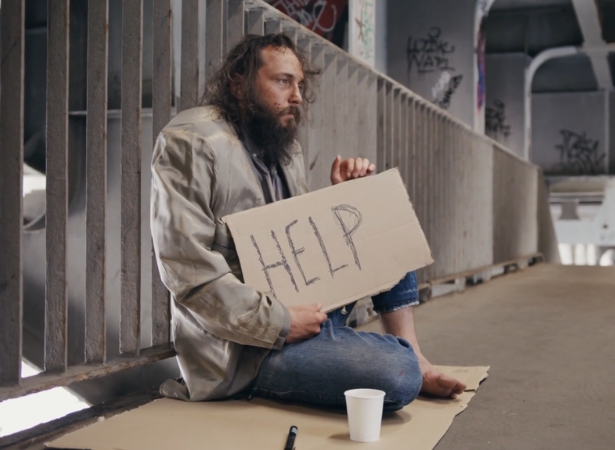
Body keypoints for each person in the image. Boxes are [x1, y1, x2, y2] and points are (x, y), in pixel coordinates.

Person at [151, 33, 465, 411]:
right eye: (283, 81)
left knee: (382, 211)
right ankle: (398, 360)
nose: (297, 96)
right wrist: (281, 321)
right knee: (398, 375)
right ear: (239, 82)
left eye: (299, 84)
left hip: (303, 313)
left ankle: (415, 353)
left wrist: (345, 197)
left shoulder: (284, 147)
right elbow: (190, 275)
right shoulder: (191, 142)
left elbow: (290, 247)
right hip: (247, 351)